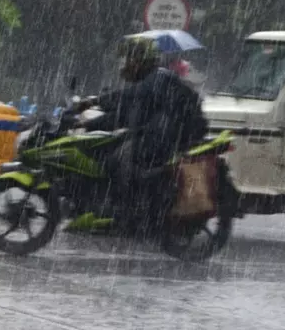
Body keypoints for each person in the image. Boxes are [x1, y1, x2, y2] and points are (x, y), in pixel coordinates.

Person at [85, 34, 207, 229]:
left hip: (169, 137)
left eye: (128, 59)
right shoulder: (149, 80)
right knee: (108, 149)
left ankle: (128, 209)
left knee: (120, 158)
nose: (124, 64)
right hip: (158, 134)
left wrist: (95, 101)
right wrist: (87, 126)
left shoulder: (158, 78)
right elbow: (121, 114)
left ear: (140, 60)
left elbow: (130, 98)